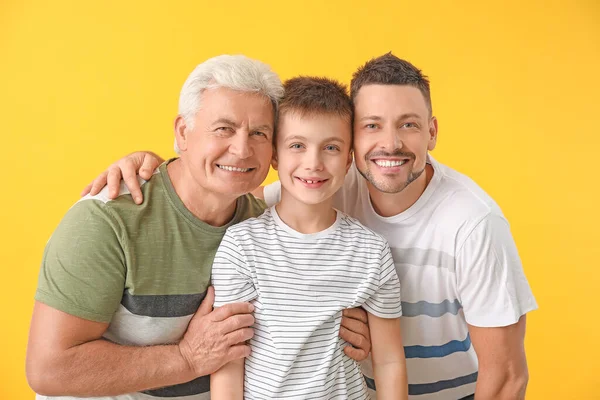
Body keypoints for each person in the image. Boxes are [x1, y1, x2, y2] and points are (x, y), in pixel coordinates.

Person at [84, 53, 538, 400]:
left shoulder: (473, 223)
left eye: (409, 125)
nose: (390, 143)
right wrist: (151, 166)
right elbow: (226, 186)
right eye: (373, 125)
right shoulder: (296, 203)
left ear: (432, 132)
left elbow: (506, 374)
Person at [26, 55, 370, 400]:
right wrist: (186, 358)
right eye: (223, 129)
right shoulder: (106, 221)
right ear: (183, 132)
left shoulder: (263, 224)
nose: (241, 149)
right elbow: (49, 370)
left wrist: (342, 326)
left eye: (259, 133)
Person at [210, 76, 407, 399]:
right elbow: (228, 365)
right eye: (297, 146)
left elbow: (388, 361)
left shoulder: (371, 251)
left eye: (330, 147)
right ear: (275, 155)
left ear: (348, 161)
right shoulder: (242, 245)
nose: (313, 164)